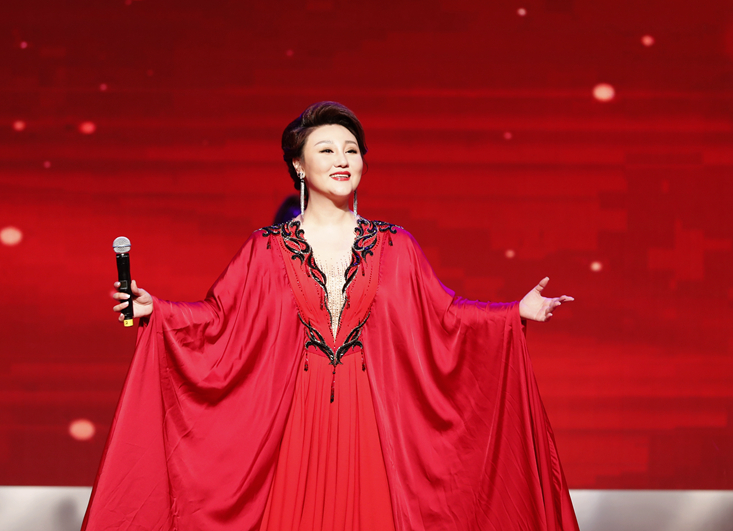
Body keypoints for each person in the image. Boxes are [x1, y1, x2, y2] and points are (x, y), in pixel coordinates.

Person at [83, 101, 580, 531]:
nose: (342, 159)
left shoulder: (396, 245)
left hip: (372, 421)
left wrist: (513, 313)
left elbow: (446, 316)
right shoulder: (265, 248)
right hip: (294, 420)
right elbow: (218, 322)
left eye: (351, 149)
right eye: (326, 150)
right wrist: (159, 311)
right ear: (298, 165)